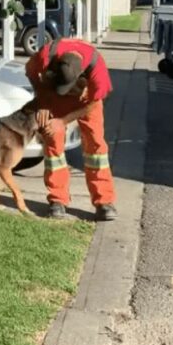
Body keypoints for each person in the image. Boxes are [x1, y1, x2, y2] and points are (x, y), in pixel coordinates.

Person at [25, 38, 117, 221]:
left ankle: (103, 201)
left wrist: (64, 120)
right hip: (53, 99)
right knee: (53, 140)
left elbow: (96, 102)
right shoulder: (45, 55)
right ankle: (57, 200)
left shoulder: (97, 68)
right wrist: (42, 102)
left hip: (86, 102)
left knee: (96, 146)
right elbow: (30, 70)